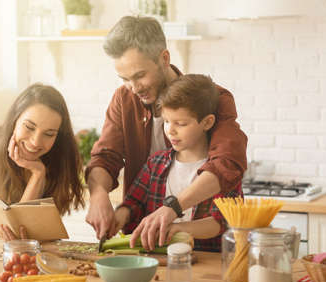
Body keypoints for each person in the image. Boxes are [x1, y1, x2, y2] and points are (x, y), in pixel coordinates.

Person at [84, 16, 247, 250]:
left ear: (164, 58)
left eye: (140, 75)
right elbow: (105, 157)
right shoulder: (124, 99)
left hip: (200, 249)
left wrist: (172, 209)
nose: (134, 87)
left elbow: (227, 163)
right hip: (143, 245)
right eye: (125, 79)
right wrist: (98, 195)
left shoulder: (212, 99)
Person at [114, 75, 243, 252]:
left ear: (207, 122)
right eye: (166, 121)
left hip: (206, 262)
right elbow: (133, 203)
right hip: (159, 261)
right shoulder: (155, 163)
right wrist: (118, 217)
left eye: (180, 123)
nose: (170, 130)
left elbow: (219, 222)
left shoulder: (223, 171)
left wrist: (178, 229)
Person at [0, 83, 84, 241]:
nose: (35, 142)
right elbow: (14, 234)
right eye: (29, 127)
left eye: (49, 134)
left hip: (44, 255)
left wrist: (38, 173)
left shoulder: (58, 161)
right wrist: (37, 175)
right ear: (14, 120)